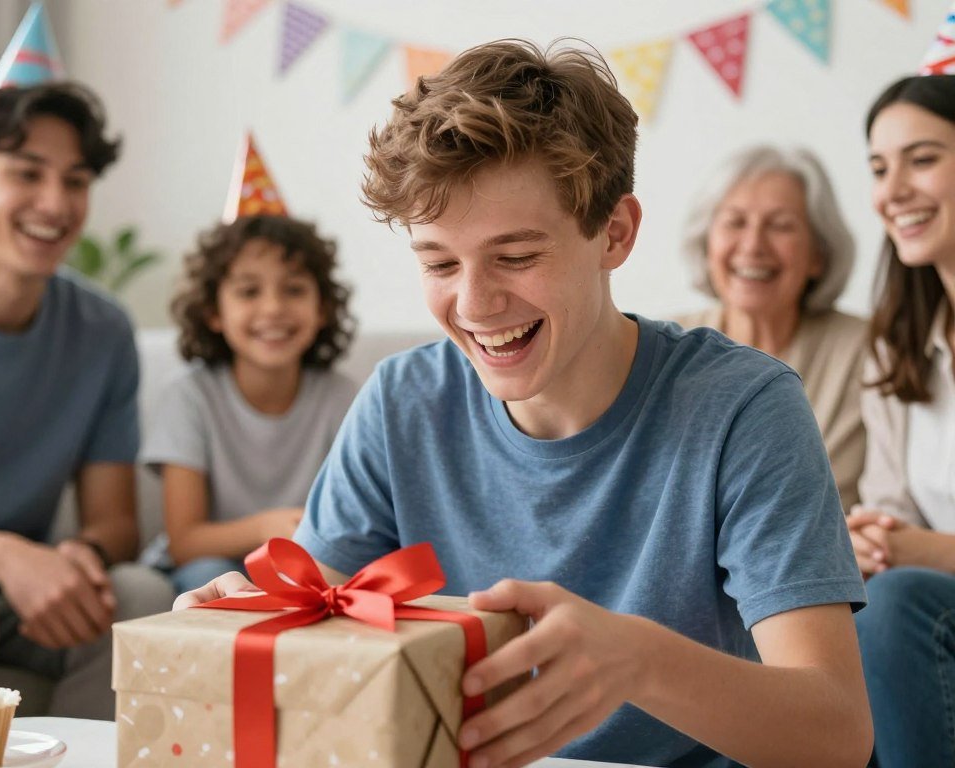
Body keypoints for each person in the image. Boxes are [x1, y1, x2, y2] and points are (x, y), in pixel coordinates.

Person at [176, 39, 872, 767]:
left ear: (615, 233)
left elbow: (836, 736)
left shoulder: (744, 407)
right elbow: (313, 626)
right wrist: (244, 624)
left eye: (516, 256)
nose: (475, 304)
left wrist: (638, 660)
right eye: (440, 262)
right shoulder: (402, 402)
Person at [0, 81, 174, 719]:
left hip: (20, 592)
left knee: (139, 592)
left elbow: (116, 522)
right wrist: (4, 554)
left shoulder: (102, 329)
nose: (55, 203)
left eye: (75, 180)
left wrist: (81, 556)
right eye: (27, 174)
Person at [140, 214, 357, 594]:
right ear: (213, 312)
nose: (273, 308)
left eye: (293, 289)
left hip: (299, 570)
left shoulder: (342, 397)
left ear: (321, 308)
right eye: (248, 291)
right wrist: (264, 529)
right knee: (210, 574)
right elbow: (185, 541)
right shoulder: (189, 396)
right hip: (196, 575)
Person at [847, 72, 955, 768]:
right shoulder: (897, 348)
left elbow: (913, 559)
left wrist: (916, 553)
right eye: (880, 169)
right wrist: (868, 540)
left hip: (925, 604)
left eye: (922, 159)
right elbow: (892, 512)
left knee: (895, 605)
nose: (891, 193)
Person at [677, 145, 866, 511]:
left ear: (818, 254)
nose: (752, 246)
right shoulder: (662, 347)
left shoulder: (869, 350)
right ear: (706, 242)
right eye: (735, 222)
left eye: (780, 226)